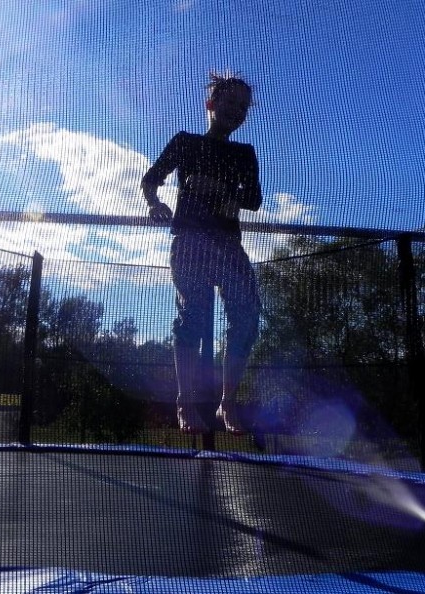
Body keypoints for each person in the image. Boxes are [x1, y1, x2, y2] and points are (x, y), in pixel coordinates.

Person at [141, 72, 262, 434]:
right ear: (211, 104)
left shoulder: (244, 153)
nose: (237, 111)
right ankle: (185, 402)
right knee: (191, 318)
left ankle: (227, 402)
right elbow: (151, 178)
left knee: (247, 315)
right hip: (190, 240)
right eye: (230, 103)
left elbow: (254, 199)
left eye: (243, 107)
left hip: (227, 245)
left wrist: (225, 194)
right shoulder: (186, 142)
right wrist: (154, 203)